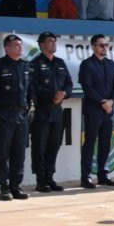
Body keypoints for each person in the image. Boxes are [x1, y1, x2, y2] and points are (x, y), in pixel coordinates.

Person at [0, 34, 32, 201]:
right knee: (2, 153)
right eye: (16, 45)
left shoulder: (25, 66)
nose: (20, 47)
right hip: (4, 115)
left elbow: (30, 91)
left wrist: (30, 108)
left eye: (21, 45)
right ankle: (4, 186)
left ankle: (15, 185)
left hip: (21, 115)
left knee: (19, 153)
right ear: (7, 48)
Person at [28, 31, 72, 192]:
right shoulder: (35, 64)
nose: (53, 44)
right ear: (41, 45)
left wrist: (64, 94)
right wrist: (51, 96)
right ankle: (41, 180)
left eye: (54, 41)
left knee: (54, 145)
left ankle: (50, 177)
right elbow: (33, 88)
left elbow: (69, 84)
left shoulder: (59, 63)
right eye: (50, 41)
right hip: (42, 111)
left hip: (57, 112)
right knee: (40, 146)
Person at [77, 34, 114, 189]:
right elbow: (87, 87)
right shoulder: (87, 64)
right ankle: (86, 176)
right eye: (101, 45)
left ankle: (103, 174)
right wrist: (102, 102)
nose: (104, 48)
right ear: (93, 47)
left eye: (106, 45)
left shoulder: (110, 64)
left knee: (105, 143)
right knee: (90, 143)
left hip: (108, 110)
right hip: (93, 110)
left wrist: (112, 101)